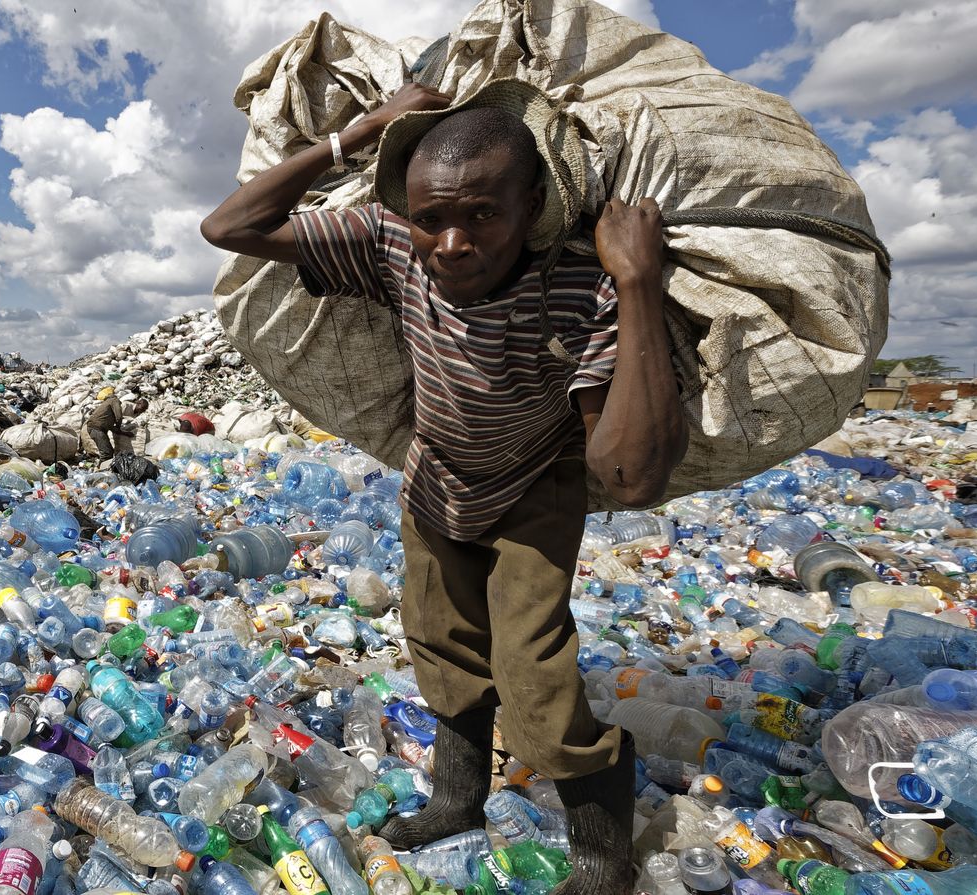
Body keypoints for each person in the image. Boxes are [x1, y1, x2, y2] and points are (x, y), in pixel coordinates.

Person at [201, 84, 686, 895]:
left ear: (532, 207)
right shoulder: (393, 245)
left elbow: (628, 473)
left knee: (534, 678)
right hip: (436, 485)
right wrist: (365, 130)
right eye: (432, 217)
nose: (453, 243)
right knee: (440, 648)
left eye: (483, 214)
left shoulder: (579, 285)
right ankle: (456, 801)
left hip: (534, 490)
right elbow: (230, 227)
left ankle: (604, 857)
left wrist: (636, 279)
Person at [83, 386, 131, 458]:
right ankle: (102, 465)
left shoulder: (107, 410)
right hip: (96, 429)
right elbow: (119, 416)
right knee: (107, 453)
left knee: (109, 451)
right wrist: (118, 426)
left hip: (95, 428)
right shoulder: (114, 400)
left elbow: (111, 427)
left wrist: (123, 432)